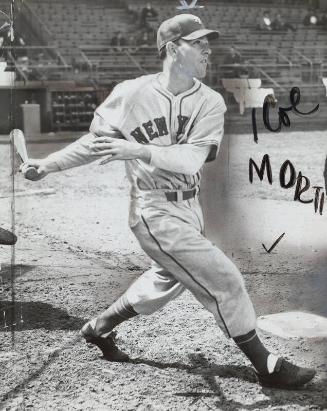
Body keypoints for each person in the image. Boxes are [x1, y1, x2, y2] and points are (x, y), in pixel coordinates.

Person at [22, 14, 316, 390]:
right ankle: (268, 366)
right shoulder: (131, 93)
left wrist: (136, 149)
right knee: (225, 279)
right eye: (198, 42)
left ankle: (98, 328)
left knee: (168, 277)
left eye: (208, 41)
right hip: (151, 209)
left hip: (189, 207)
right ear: (173, 49)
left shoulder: (210, 102)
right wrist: (47, 165)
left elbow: (192, 159)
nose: (208, 48)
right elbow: (94, 144)